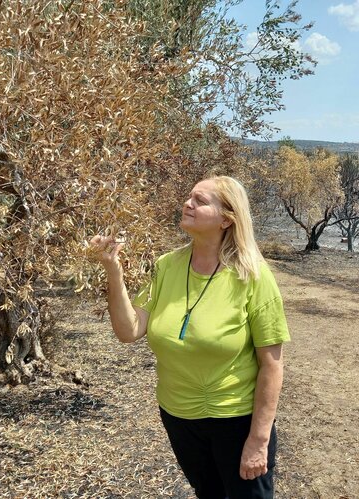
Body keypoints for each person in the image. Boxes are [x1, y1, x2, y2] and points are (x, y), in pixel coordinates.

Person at [90, 176, 290, 499]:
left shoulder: (252, 276)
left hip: (235, 421)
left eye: (200, 200)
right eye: (188, 197)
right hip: (179, 418)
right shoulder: (166, 267)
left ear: (226, 219)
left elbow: (272, 366)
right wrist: (113, 269)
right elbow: (129, 330)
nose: (188, 203)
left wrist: (259, 440)